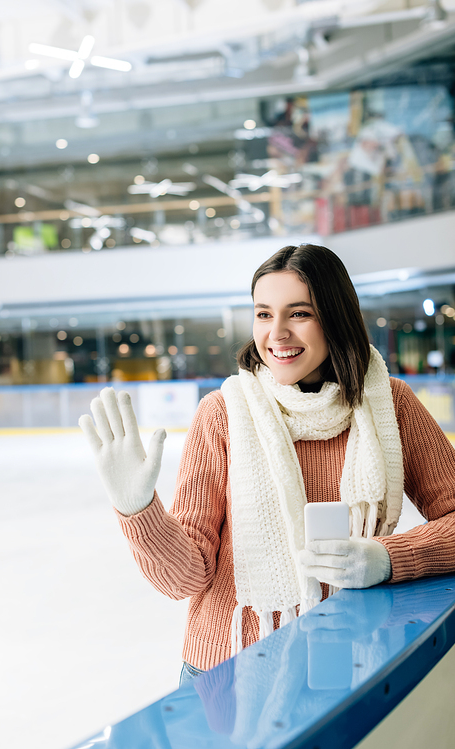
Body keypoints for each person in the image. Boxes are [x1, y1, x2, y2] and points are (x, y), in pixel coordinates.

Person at [79, 244, 455, 686]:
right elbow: (185, 579)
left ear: (336, 317)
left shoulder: (391, 406)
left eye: (299, 314)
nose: (276, 334)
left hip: (350, 658)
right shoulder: (223, 414)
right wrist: (138, 508)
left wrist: (386, 558)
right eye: (263, 314)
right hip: (227, 668)